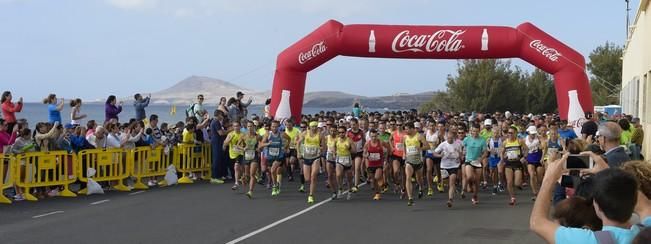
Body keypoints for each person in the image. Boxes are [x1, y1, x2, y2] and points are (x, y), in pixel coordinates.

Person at [530, 154, 644, 244]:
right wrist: (609, 173)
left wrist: (549, 179)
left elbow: (537, 223)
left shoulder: (587, 240)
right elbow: (643, 204)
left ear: (596, 205)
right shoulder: (645, 231)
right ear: (634, 202)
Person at [402, 122, 429, 206]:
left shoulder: (419, 136)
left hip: (418, 161)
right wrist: (404, 153)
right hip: (409, 161)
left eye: (407, 129)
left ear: (412, 128)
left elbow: (428, 146)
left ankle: (421, 187)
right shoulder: (405, 137)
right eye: (405, 129)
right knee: (408, 177)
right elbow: (404, 145)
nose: (406, 131)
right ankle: (410, 198)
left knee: (419, 178)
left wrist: (420, 148)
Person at [433, 130, 462, 208]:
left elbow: (461, 154)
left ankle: (450, 199)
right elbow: (434, 153)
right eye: (448, 138)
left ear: (454, 138)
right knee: (445, 181)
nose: (450, 140)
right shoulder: (443, 145)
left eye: (451, 138)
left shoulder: (457, 144)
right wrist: (440, 156)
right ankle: (444, 184)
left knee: (451, 182)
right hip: (444, 166)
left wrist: (459, 157)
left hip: (454, 165)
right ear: (446, 137)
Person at [297, 121, 324, 204]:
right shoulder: (305, 133)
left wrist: (320, 149)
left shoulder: (320, 135)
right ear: (309, 127)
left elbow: (324, 147)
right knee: (307, 178)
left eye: (316, 126)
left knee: (313, 176)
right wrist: (298, 152)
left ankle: (311, 195)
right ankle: (311, 188)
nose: (314, 128)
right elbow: (298, 143)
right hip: (306, 157)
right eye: (312, 126)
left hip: (316, 157)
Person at [260, 120, 289, 196]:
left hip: (279, 156)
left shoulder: (282, 134)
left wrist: (286, 147)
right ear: (270, 127)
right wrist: (267, 143)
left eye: (276, 126)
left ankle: (274, 186)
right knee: (272, 172)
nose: (274, 128)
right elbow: (261, 144)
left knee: (274, 170)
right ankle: (276, 184)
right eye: (273, 126)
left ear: (278, 127)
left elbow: (289, 139)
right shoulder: (267, 134)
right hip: (270, 156)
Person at [462, 123, 487, 205]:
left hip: (477, 162)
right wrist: (462, 152)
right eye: (473, 131)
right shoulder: (467, 139)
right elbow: (461, 147)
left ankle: (475, 196)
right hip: (468, 160)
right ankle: (469, 185)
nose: (475, 133)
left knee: (476, 181)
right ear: (471, 131)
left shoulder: (482, 140)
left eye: (476, 131)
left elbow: (485, 153)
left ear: (479, 131)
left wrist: (481, 158)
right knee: (469, 177)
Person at [501, 126, 525, 205]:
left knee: (517, 183)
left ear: (515, 133)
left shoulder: (519, 141)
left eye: (511, 133)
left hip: (517, 163)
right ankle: (512, 197)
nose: (509, 134)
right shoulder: (505, 142)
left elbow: (527, 150)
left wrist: (524, 157)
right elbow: (502, 152)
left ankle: (519, 183)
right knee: (509, 182)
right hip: (509, 163)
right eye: (508, 133)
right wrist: (502, 159)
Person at [364, 128, 390, 200]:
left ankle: (381, 180)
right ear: (370, 136)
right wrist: (365, 155)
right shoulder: (367, 143)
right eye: (372, 136)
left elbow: (388, 148)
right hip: (371, 164)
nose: (374, 138)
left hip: (379, 163)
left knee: (376, 177)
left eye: (375, 136)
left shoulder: (381, 142)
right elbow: (364, 152)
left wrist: (386, 158)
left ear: (377, 136)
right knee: (373, 180)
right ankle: (377, 194)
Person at [240, 121, 260, 199]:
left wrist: (259, 148)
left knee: (252, 174)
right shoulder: (243, 136)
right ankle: (244, 178)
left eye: (251, 126)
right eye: (248, 126)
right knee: (247, 175)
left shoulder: (258, 136)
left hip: (254, 157)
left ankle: (250, 191)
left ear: (254, 127)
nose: (250, 128)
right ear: (246, 127)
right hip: (246, 157)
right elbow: (237, 146)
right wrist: (243, 148)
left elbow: (262, 143)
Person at [335, 125, 355, 200]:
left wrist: (349, 148)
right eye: (339, 132)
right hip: (339, 159)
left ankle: (349, 190)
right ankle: (340, 188)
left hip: (347, 160)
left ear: (345, 132)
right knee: (338, 174)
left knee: (349, 178)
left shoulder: (349, 140)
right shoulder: (337, 140)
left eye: (342, 132)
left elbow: (354, 150)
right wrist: (334, 153)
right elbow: (334, 147)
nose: (341, 134)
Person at [525, 125, 544, 200]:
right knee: (532, 175)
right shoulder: (525, 139)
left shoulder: (539, 138)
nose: (533, 135)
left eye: (534, 133)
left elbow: (543, 147)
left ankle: (541, 192)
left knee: (540, 178)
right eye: (532, 133)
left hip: (538, 159)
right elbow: (523, 148)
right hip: (530, 159)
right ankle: (535, 193)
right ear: (528, 132)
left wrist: (541, 145)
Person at [347, 118, 365, 193]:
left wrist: (364, 150)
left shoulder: (361, 132)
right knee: (351, 170)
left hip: (359, 153)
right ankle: (351, 184)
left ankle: (356, 185)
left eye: (354, 124)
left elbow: (364, 141)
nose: (352, 126)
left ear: (357, 124)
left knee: (357, 168)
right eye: (351, 125)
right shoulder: (348, 132)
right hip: (351, 153)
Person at [209, 110, 227, 184]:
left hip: (217, 142)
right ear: (218, 115)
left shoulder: (215, 122)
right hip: (216, 142)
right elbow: (221, 133)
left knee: (219, 159)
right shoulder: (216, 122)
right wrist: (229, 130)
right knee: (216, 159)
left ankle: (218, 175)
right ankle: (214, 177)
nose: (222, 116)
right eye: (221, 115)